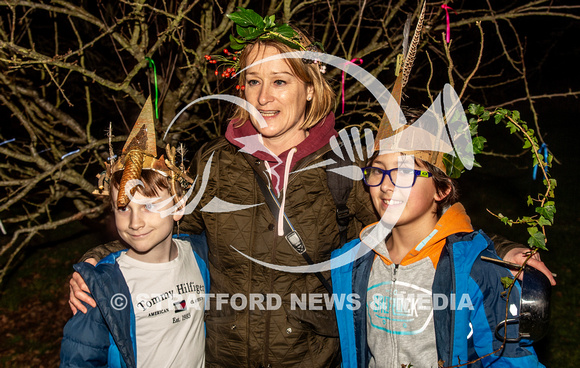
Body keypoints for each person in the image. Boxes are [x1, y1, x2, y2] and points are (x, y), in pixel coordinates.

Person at [68, 7, 554, 368]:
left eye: (280, 81)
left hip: (311, 359)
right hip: (225, 357)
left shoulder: (343, 165)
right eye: (252, 81)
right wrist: (103, 262)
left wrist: (505, 251)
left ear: (308, 87)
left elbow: (411, 221)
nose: (263, 96)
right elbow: (170, 226)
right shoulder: (216, 161)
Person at [331, 108, 546, 367]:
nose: (386, 185)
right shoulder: (354, 264)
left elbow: (509, 359)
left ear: (442, 189)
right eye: (377, 170)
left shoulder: (476, 271)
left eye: (405, 171)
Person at [60, 98, 209, 368]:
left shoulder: (200, 254)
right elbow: (79, 360)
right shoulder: (102, 287)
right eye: (123, 208)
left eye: (150, 206)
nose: (135, 222)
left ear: (178, 207)